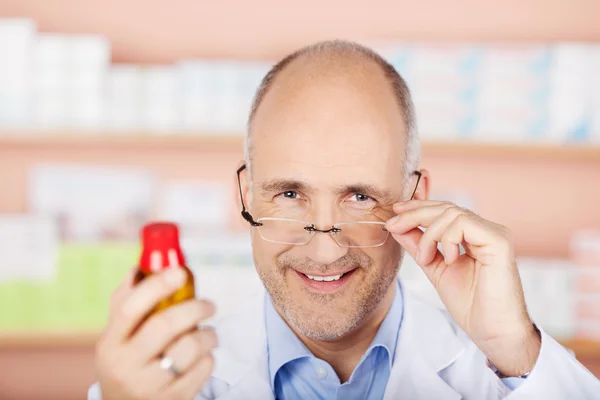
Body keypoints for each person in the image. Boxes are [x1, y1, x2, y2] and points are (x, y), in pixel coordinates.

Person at [89, 40, 600, 399]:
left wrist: (515, 348)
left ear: (414, 199)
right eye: (290, 194)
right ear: (247, 194)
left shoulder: (502, 378)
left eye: (359, 197)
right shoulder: (163, 385)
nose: (325, 250)